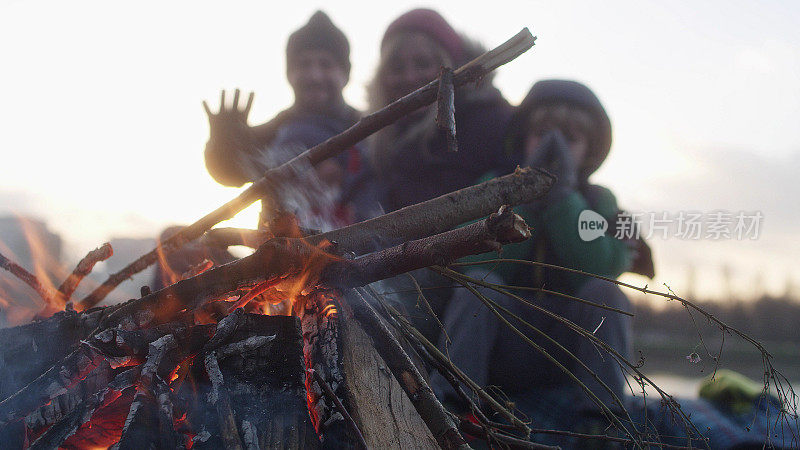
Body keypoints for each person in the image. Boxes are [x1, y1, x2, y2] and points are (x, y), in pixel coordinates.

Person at [431, 80, 648, 444]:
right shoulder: (493, 187)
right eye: (543, 134)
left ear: (590, 152)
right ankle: (453, 404)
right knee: (480, 284)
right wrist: (523, 201)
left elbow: (602, 265)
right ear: (522, 140)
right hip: (505, 345)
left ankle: (602, 421)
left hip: (571, 354)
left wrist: (563, 200)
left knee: (605, 293)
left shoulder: (598, 200)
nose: (554, 146)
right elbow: (473, 258)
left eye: (571, 139)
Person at [365, 9, 515, 344]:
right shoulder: (383, 138)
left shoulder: (492, 121)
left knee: (389, 290)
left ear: (452, 66)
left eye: (423, 63)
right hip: (404, 268)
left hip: (469, 280)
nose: (409, 76)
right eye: (397, 67)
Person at [203, 10, 372, 230]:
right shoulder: (273, 131)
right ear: (289, 74)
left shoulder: (370, 129)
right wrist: (222, 144)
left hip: (364, 255)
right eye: (304, 64)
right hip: (282, 257)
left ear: (345, 73)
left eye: (326, 64)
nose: (314, 75)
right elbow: (230, 173)